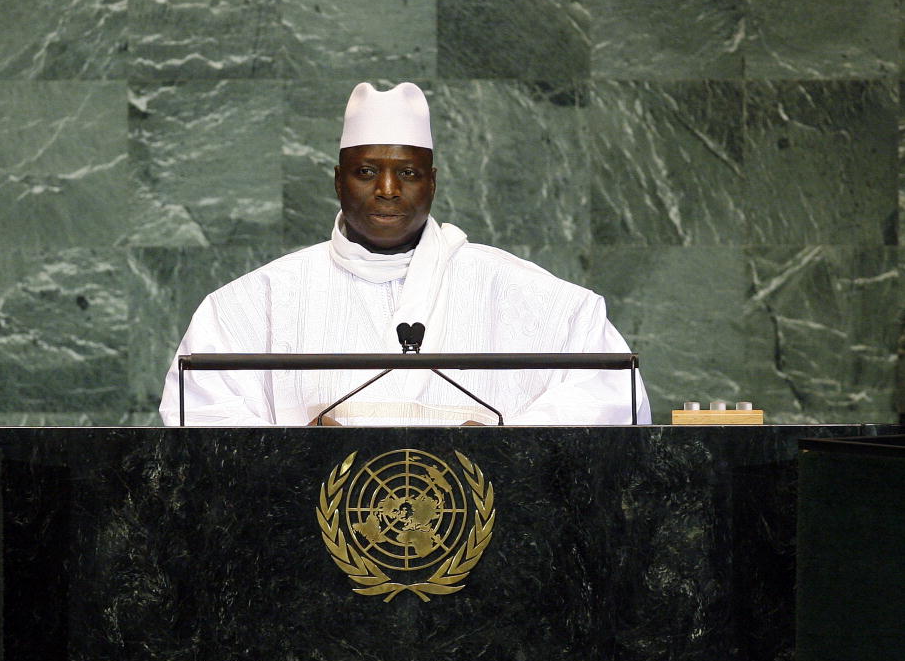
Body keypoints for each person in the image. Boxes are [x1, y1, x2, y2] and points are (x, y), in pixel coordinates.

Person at [159, 82, 650, 426]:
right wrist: (300, 450)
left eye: (409, 174)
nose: (388, 191)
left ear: (432, 183)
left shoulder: (523, 291)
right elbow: (195, 409)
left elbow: (613, 394)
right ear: (337, 180)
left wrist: (503, 443)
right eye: (367, 172)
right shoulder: (256, 301)